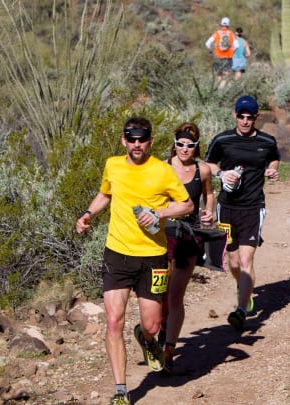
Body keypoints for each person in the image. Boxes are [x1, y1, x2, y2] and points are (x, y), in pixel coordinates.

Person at [75, 117, 193, 405]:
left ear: (151, 141)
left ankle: (148, 339)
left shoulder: (163, 171)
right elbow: (105, 193)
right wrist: (89, 213)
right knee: (114, 321)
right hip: (117, 254)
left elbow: (187, 204)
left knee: (152, 325)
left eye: (142, 139)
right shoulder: (112, 165)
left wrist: (159, 213)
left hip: (152, 257)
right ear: (123, 140)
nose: (137, 144)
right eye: (132, 138)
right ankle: (120, 390)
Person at [204, 95, 281, 332]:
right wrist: (221, 175)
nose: (245, 121)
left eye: (250, 117)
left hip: (253, 208)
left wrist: (272, 170)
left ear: (256, 117)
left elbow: (275, 159)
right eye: (241, 116)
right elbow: (209, 164)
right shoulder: (223, 139)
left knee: (247, 260)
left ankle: (240, 310)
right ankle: (243, 288)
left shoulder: (267, 141)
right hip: (226, 207)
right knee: (233, 262)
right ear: (235, 115)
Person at [159, 122, 215, 373]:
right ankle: (160, 327)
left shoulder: (202, 170)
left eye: (190, 145)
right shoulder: (162, 168)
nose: (185, 149)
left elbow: (209, 194)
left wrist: (209, 213)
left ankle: (169, 349)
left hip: (189, 236)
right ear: (174, 143)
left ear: (196, 146)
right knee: (160, 294)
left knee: (175, 295)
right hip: (161, 235)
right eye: (180, 144)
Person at [205, 17, 237, 86]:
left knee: (219, 74)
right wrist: (233, 51)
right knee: (226, 75)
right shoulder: (231, 34)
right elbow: (236, 46)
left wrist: (210, 51)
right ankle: (223, 90)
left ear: (221, 24)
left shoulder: (216, 33)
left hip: (218, 57)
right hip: (228, 57)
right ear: (228, 25)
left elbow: (207, 44)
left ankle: (219, 90)